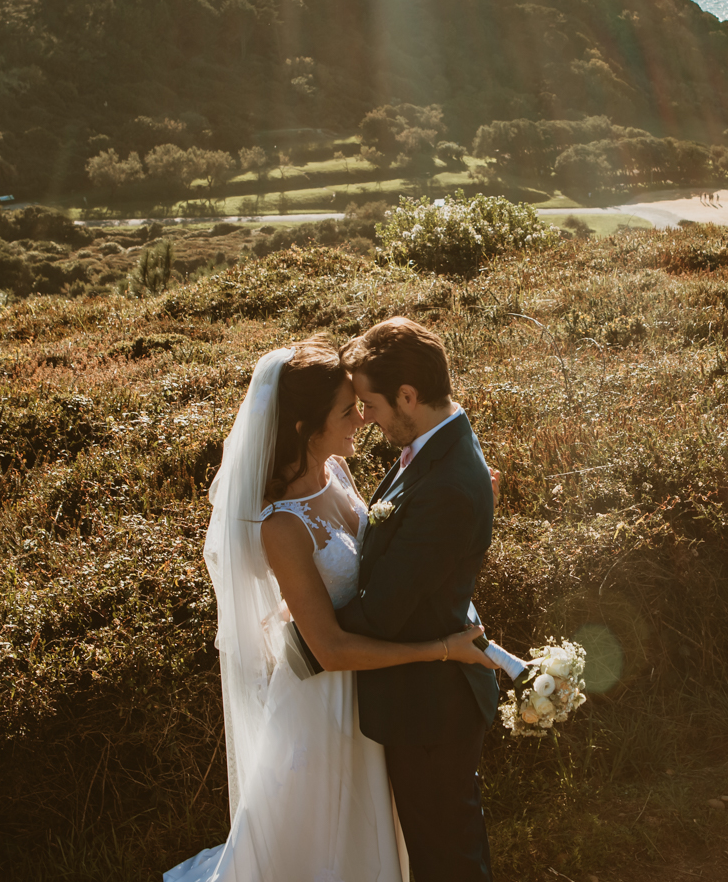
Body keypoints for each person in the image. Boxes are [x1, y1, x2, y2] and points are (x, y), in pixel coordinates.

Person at [166, 336, 497, 882]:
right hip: (325, 695)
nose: (362, 421)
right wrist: (441, 650)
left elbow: (387, 552)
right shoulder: (282, 525)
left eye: (363, 406)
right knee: (326, 839)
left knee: (385, 827)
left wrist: (462, 518)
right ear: (304, 427)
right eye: (348, 411)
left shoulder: (337, 473)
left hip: (377, 687)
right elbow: (331, 648)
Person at [336, 317, 499, 882]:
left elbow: (382, 611)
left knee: (446, 860)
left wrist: (305, 630)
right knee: (443, 848)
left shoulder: (448, 483)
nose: (367, 418)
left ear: (407, 396)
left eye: (372, 405)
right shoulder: (439, 444)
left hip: (431, 711)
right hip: (427, 697)